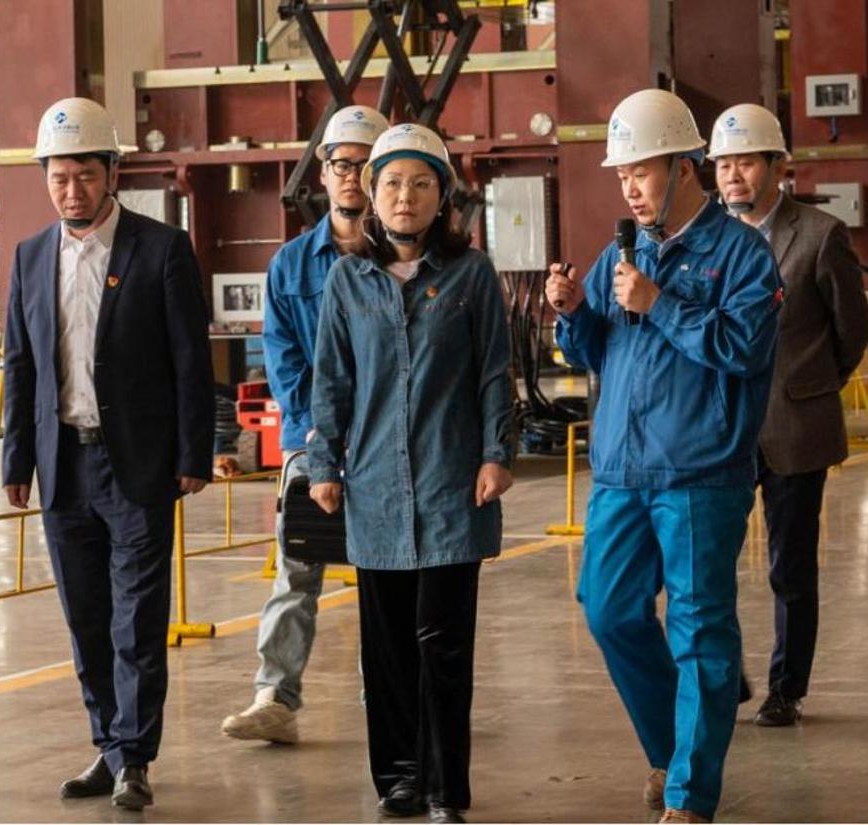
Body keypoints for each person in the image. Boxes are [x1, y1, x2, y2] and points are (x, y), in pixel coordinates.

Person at [545, 88, 782, 824]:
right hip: (621, 469)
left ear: (683, 167)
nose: (629, 188)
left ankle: (689, 795)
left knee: (699, 627)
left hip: (699, 472)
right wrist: (571, 313)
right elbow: (597, 352)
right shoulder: (624, 253)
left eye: (640, 172)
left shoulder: (741, 254)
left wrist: (661, 304)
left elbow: (745, 350)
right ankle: (670, 749)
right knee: (608, 609)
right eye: (621, 175)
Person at [0, 96, 214, 811]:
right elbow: (21, 366)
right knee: (86, 617)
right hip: (63, 465)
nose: (72, 190)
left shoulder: (160, 250)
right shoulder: (31, 257)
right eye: (58, 177)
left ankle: (135, 756)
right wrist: (16, 461)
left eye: (85, 175)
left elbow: (190, 360)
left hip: (137, 466)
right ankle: (108, 745)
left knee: (137, 620)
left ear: (112, 173)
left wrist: (194, 452)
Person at [309, 123, 513, 825]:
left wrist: (496, 452)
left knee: (444, 645)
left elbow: (493, 371)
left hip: (452, 484)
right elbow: (330, 379)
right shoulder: (347, 279)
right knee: (388, 647)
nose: (406, 196)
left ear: (441, 197)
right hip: (374, 488)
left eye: (421, 183)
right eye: (392, 182)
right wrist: (323, 464)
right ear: (371, 194)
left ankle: (445, 788)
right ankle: (398, 778)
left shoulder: (470, 274)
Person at [221, 104, 390, 744]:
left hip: (387, 443)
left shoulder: (403, 257)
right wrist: (320, 434)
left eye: (365, 166)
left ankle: (391, 694)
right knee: (296, 568)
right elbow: (284, 358)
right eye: (341, 164)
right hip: (313, 443)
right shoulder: (291, 265)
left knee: (388, 578)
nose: (351, 176)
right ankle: (275, 697)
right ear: (323, 172)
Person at [709, 103, 868, 727]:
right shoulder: (707, 238)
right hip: (721, 428)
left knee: (791, 569)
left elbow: (851, 329)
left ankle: (787, 688)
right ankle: (727, 677)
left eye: (746, 162)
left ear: (779, 167)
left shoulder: (820, 235)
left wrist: (812, 384)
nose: (733, 176)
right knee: (708, 566)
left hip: (794, 426)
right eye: (724, 164)